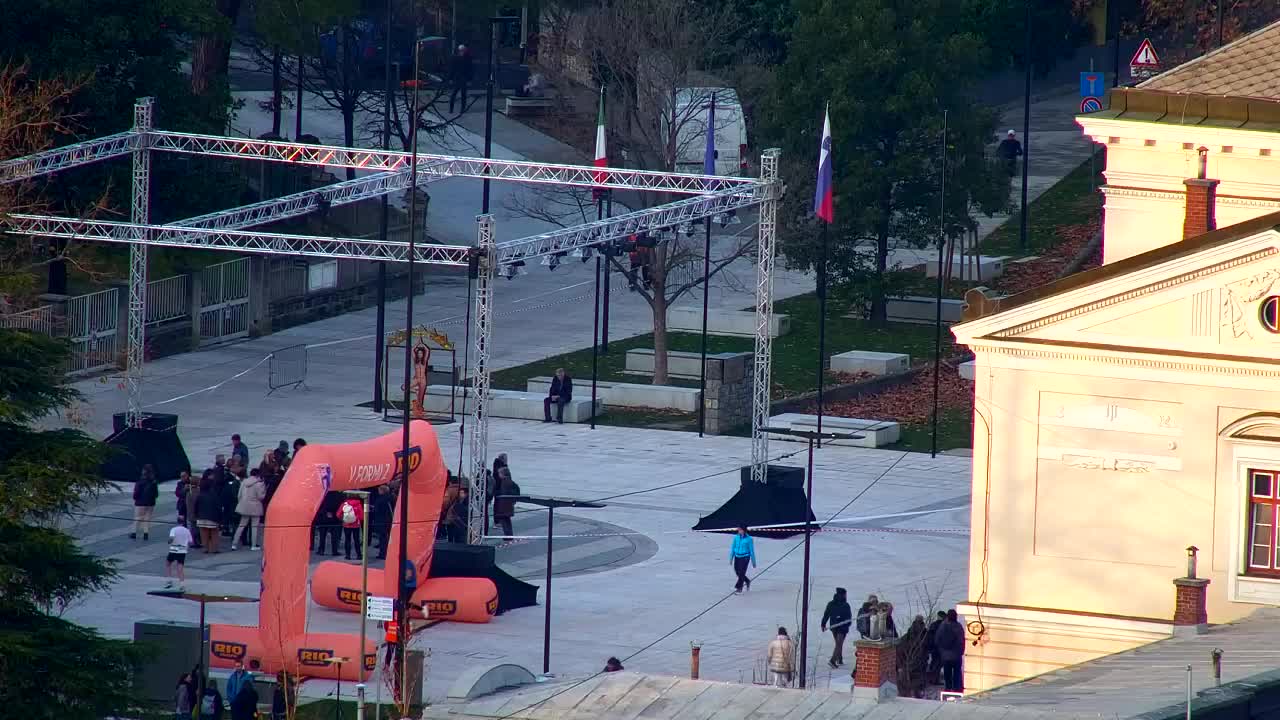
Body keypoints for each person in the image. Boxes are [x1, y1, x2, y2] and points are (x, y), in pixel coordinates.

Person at [232, 468, 266, 551]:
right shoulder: (260, 483)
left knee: (241, 525)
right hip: (255, 507)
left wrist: (241, 503)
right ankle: (253, 545)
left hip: (244, 505)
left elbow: (239, 495)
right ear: (258, 474)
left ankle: (234, 544)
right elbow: (260, 497)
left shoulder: (244, 482)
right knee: (254, 527)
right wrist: (265, 491)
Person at [820, 587, 852, 668]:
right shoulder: (845, 605)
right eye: (845, 594)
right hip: (842, 628)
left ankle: (839, 659)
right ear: (843, 595)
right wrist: (847, 624)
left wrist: (823, 624)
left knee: (838, 643)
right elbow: (849, 617)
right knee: (839, 644)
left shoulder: (831, 604)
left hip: (834, 627)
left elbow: (826, 615)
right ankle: (833, 660)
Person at [936, 608, 966, 692]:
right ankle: (957, 689)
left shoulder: (942, 626)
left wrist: (942, 651)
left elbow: (937, 639)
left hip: (945, 655)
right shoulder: (958, 626)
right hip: (956, 655)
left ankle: (948, 688)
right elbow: (962, 640)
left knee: (947, 673)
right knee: (957, 672)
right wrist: (961, 651)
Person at [195, 472, 223, 553]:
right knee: (214, 534)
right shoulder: (214, 495)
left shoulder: (200, 495)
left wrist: (197, 515)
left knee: (204, 535)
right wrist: (220, 519)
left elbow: (196, 506)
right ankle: (215, 549)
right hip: (212, 518)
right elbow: (218, 507)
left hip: (201, 518)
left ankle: (205, 548)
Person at [132, 463, 159, 540]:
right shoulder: (154, 482)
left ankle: (134, 533)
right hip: (151, 503)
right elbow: (156, 494)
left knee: (138, 517)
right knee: (147, 518)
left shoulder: (140, 482)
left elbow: (136, 493)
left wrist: (135, 498)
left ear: (144, 471)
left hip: (140, 503)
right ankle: (145, 533)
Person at [492, 465, 520, 539]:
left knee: (504, 521)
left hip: (504, 505)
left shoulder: (505, 482)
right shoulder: (510, 481)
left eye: (499, 474)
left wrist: (497, 493)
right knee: (507, 520)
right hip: (508, 505)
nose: (499, 475)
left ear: (503, 474)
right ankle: (509, 534)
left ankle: (508, 535)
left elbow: (504, 494)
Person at [166, 519, 194, 589]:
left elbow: (171, 539)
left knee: (168, 564)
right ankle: (182, 584)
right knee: (180, 568)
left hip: (174, 549)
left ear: (177, 522)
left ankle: (169, 581)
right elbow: (191, 542)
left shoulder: (174, 529)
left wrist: (169, 542)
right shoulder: (187, 530)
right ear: (183, 523)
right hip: (182, 550)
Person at [728, 526, 756, 593]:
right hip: (737, 556)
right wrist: (731, 558)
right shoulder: (736, 538)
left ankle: (739, 588)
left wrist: (753, 562)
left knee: (742, 573)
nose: (739, 531)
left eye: (740, 529)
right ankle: (747, 581)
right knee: (737, 571)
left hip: (745, 557)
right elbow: (733, 548)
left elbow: (751, 551)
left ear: (744, 530)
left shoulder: (749, 539)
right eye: (738, 529)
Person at [316, 491, 344, 556]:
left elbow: (319, 505)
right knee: (334, 536)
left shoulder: (322, 494)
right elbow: (342, 506)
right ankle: (334, 551)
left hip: (323, 517)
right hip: (335, 517)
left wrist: (325, 512)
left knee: (322, 535)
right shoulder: (340, 495)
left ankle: (321, 550)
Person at [370, 484, 393, 559]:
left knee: (383, 538)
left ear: (382, 491)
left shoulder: (379, 500)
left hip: (381, 520)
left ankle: (383, 554)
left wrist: (372, 508)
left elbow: (376, 510)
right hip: (390, 519)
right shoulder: (392, 497)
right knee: (388, 537)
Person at [448, 44, 473, 114]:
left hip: (464, 78)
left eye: (464, 50)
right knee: (454, 94)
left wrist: (470, 79)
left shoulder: (468, 58)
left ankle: (462, 109)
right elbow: (452, 69)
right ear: (459, 51)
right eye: (461, 50)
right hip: (457, 78)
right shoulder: (455, 58)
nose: (462, 52)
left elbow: (470, 69)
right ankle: (451, 109)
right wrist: (450, 78)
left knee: (463, 95)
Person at [339, 494, 365, 560]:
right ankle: (359, 555)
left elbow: (338, 514)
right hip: (356, 525)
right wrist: (356, 518)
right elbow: (362, 516)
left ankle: (348, 555)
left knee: (347, 540)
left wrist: (343, 519)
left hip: (346, 525)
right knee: (356, 540)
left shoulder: (344, 504)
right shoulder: (358, 504)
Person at [926, 610, 946, 684]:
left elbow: (929, 636)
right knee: (938, 664)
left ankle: (931, 679)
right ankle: (935, 680)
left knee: (934, 663)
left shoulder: (933, 625)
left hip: (933, 647)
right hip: (940, 648)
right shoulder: (944, 625)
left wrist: (930, 647)